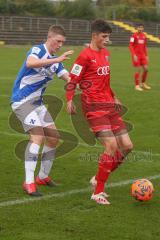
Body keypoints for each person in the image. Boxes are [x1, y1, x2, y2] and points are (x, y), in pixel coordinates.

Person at [66, 19, 133, 205]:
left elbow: (106, 81)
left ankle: (98, 178)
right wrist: (69, 99)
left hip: (109, 104)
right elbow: (72, 79)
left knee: (127, 146)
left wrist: (115, 96)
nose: (106, 40)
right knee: (111, 146)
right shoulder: (84, 56)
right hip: (94, 108)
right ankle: (98, 192)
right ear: (94, 35)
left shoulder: (106, 53)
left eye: (108, 37)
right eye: (104, 36)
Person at [11, 25, 73, 196]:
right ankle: (28, 182)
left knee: (53, 138)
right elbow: (30, 62)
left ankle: (42, 177)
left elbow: (68, 78)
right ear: (49, 38)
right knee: (37, 136)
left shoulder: (56, 63)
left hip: (37, 103)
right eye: (58, 41)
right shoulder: (38, 50)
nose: (60, 45)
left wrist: (80, 80)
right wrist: (56, 60)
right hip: (22, 101)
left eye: (62, 42)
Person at [129, 23, 151, 91]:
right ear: (136, 28)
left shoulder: (144, 36)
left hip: (143, 56)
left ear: (143, 28)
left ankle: (143, 83)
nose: (140, 29)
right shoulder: (133, 36)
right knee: (138, 69)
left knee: (146, 69)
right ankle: (137, 85)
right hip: (136, 56)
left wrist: (146, 55)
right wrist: (134, 55)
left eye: (141, 27)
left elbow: (144, 46)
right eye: (139, 27)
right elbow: (130, 45)